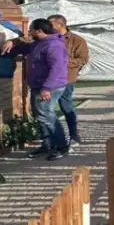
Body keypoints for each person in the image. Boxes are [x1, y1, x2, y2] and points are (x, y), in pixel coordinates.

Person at [6, 19, 71, 160]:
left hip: (50, 87)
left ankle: (62, 146)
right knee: (40, 116)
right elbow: (24, 48)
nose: (29, 32)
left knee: (46, 115)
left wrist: (47, 88)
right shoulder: (38, 43)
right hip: (39, 86)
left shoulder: (54, 46)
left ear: (39, 31)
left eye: (31, 30)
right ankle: (47, 145)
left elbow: (57, 69)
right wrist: (10, 44)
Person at [49, 15, 88, 145]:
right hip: (48, 79)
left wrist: (62, 62)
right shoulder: (47, 37)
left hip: (66, 80)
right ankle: (51, 138)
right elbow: (29, 39)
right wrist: (13, 42)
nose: (48, 27)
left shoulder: (77, 40)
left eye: (51, 24)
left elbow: (83, 59)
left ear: (60, 25)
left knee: (66, 107)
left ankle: (73, 134)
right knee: (46, 109)